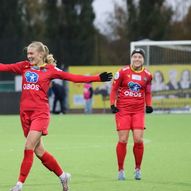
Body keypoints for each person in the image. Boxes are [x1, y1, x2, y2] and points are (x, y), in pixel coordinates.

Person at [0, 41, 113, 191]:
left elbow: (73, 77)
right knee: (39, 151)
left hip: (40, 114)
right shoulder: (24, 66)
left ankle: (19, 185)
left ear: (41, 54)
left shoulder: (50, 70)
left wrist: (97, 78)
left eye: (31, 54)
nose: (29, 56)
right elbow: (3, 67)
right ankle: (63, 176)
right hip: (24, 114)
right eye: (28, 54)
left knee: (28, 147)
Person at [110, 48, 153, 181]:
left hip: (138, 111)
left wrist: (149, 104)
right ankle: (121, 170)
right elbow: (114, 89)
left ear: (143, 59)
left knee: (138, 140)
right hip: (123, 111)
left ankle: (138, 169)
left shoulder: (148, 75)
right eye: (135, 56)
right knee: (123, 140)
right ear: (131, 58)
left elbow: (148, 92)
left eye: (140, 57)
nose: (137, 59)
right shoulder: (122, 72)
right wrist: (112, 104)